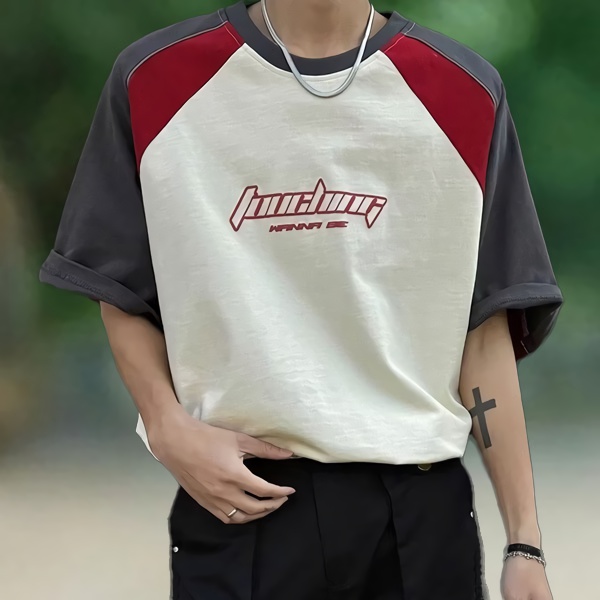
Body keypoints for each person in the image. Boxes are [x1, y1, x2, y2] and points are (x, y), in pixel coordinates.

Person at [39, 0, 563, 598]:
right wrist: (165, 426)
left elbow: (484, 330)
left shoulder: (464, 90)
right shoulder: (155, 78)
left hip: (418, 514)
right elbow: (117, 282)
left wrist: (525, 541)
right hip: (241, 505)